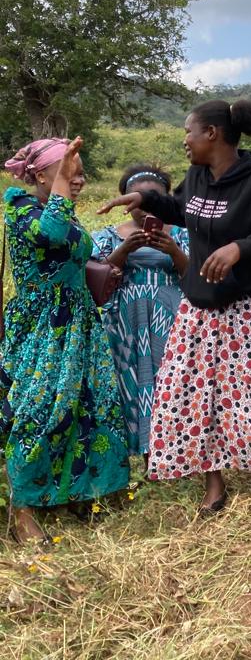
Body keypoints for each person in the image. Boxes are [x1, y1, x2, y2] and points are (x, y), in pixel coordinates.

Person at [99, 99, 251, 515]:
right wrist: (141, 198)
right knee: (193, 392)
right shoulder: (196, 176)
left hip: (250, 306)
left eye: (189, 131)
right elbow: (180, 209)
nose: (184, 140)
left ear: (212, 134)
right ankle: (214, 483)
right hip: (200, 304)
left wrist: (240, 248)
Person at [1, 137, 129, 543]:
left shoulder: (67, 214)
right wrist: (60, 188)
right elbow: (50, 234)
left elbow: (74, 254)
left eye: (80, 172)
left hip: (79, 324)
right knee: (37, 409)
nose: (78, 180)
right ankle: (22, 509)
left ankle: (76, 491)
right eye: (68, 172)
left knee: (85, 406)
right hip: (42, 326)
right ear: (40, 175)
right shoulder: (19, 208)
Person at [91, 164, 189, 463]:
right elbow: (96, 279)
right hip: (124, 320)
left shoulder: (183, 234)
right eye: (139, 198)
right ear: (126, 200)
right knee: (130, 381)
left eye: (155, 197)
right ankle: (138, 452)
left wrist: (173, 252)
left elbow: (196, 276)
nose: (145, 205)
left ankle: (174, 451)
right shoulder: (108, 235)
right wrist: (124, 251)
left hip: (171, 317)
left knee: (173, 380)